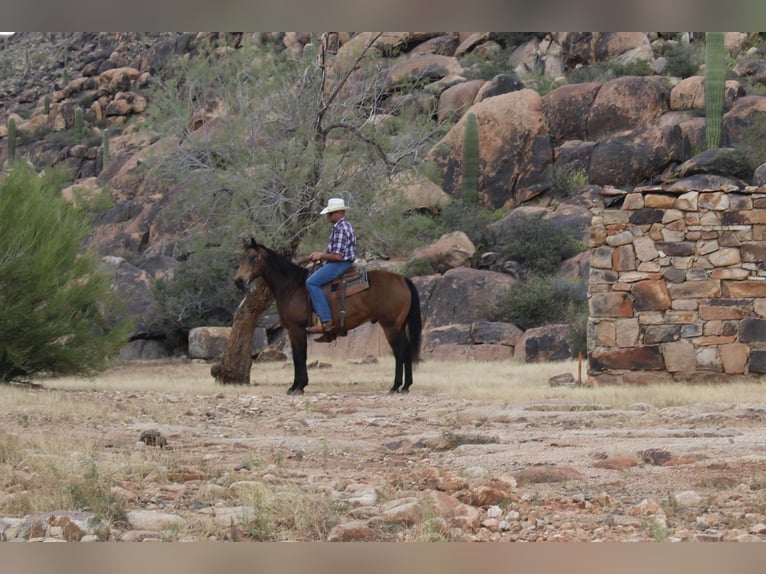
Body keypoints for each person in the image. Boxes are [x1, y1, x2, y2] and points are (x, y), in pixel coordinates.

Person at [305, 197, 357, 340]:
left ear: (339, 212)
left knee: (311, 282)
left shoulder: (340, 228)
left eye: (330, 213)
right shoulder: (345, 226)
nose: (328, 216)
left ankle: (326, 321)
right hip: (341, 263)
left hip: (339, 264)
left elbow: (338, 256)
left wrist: (320, 255)